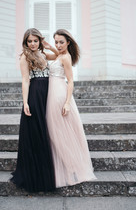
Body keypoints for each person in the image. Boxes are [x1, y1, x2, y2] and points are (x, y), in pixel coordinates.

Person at [43, 29, 96, 188]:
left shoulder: (66, 58)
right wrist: (46, 47)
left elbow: (71, 81)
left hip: (59, 94)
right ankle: (66, 165)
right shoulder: (59, 55)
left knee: (60, 131)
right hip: (51, 93)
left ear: (68, 43)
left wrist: (67, 103)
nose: (58, 45)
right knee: (55, 131)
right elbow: (49, 56)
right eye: (56, 41)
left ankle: (71, 167)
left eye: (61, 42)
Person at [10, 28, 57, 192]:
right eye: (29, 41)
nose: (32, 44)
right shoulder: (25, 56)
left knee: (47, 127)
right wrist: (25, 102)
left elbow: (59, 56)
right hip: (36, 93)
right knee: (37, 130)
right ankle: (35, 174)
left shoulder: (43, 54)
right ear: (25, 42)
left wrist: (50, 46)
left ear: (39, 41)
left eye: (35, 41)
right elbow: (25, 80)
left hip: (48, 92)